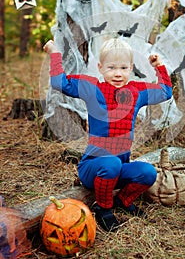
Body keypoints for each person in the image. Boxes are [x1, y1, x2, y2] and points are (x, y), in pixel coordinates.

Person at [44, 37, 172, 232]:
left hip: (119, 168)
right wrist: (54, 53)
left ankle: (123, 200)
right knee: (110, 163)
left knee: (148, 173)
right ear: (100, 67)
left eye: (123, 68)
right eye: (111, 68)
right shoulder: (92, 88)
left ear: (131, 68)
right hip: (92, 168)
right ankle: (103, 208)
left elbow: (165, 92)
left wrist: (159, 66)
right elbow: (59, 83)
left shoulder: (137, 91)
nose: (118, 74)